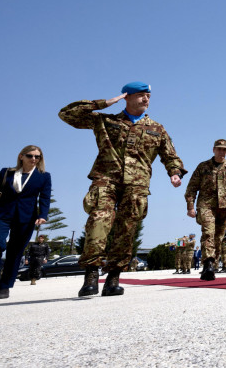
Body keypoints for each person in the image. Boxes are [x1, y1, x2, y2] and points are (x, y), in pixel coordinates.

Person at [59, 83, 187, 297]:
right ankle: (91, 274)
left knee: (126, 230)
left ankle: (113, 277)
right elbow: (67, 114)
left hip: (137, 185)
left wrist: (174, 172)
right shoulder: (106, 120)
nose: (146, 99)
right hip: (106, 179)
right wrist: (105, 103)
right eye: (140, 95)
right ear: (127, 97)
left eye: (148, 96)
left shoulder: (157, 128)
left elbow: (170, 155)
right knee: (98, 222)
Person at [185, 138, 226, 281]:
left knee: (218, 237)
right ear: (213, 150)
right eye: (219, 149)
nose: (221, 152)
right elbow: (191, 188)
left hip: (225, 208)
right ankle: (208, 264)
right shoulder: (203, 167)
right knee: (208, 233)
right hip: (206, 206)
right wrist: (190, 207)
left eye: (224, 149)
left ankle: (212, 264)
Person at [0, 146, 52, 300]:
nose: (34, 159)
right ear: (21, 156)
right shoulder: (6, 172)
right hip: (3, 213)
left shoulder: (43, 176)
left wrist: (43, 214)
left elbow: (45, 197)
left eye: (38, 157)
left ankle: (4, 286)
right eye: (30, 156)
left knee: (15, 252)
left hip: (26, 217)